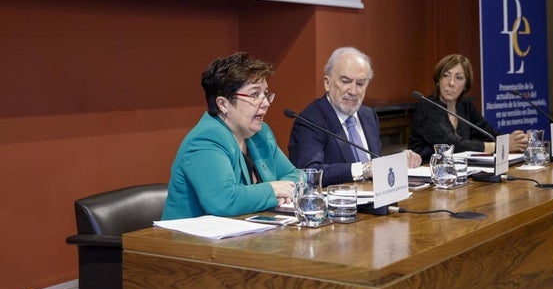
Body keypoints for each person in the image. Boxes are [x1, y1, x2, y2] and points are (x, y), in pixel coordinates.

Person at [161, 52, 298, 220]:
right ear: (223, 104)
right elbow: (224, 201)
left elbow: (296, 175)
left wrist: (284, 191)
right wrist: (273, 190)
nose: (266, 103)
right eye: (255, 95)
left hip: (244, 235)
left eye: (266, 94)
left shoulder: (260, 134)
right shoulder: (206, 140)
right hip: (187, 242)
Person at [288, 46, 421, 186]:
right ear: (327, 83)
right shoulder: (310, 120)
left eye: (360, 84)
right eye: (345, 82)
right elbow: (309, 172)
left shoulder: (368, 115)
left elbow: (375, 166)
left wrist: (398, 161)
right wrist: (363, 170)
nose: (353, 91)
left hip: (375, 201)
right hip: (337, 204)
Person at [408, 54, 527, 162]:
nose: (451, 83)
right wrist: (502, 146)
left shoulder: (464, 104)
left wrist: (518, 141)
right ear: (438, 80)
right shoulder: (427, 106)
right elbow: (453, 146)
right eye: (446, 76)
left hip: (460, 173)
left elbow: (488, 133)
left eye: (459, 78)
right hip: (427, 175)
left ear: (466, 85)